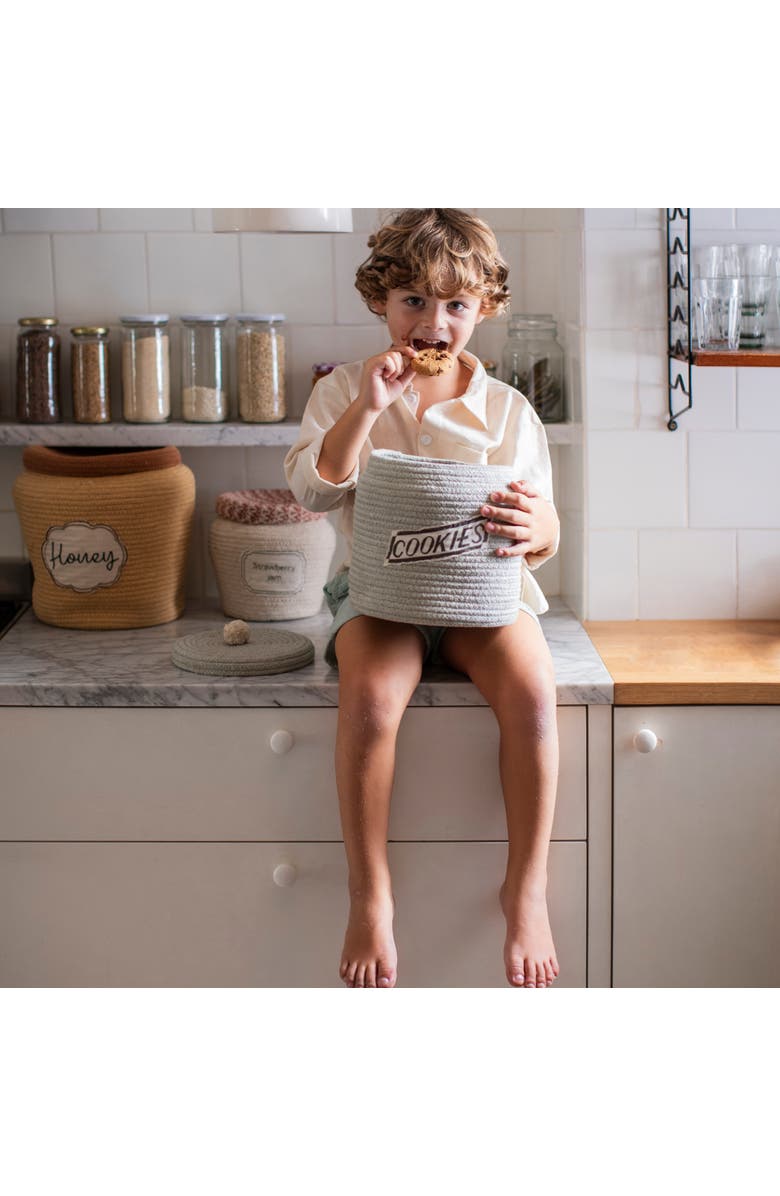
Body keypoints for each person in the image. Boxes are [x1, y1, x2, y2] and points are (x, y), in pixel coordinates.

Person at [284, 208, 561, 989]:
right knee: (370, 698)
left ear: (484, 310)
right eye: (412, 300)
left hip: (483, 594)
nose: (433, 323)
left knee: (535, 696)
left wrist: (543, 526)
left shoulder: (508, 409)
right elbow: (311, 489)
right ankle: (369, 893)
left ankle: (526, 887)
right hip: (380, 596)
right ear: (381, 300)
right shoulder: (345, 387)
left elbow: (540, 529)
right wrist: (368, 407)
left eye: (455, 306)